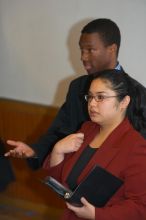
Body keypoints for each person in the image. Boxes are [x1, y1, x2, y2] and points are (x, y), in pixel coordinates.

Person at [4, 18, 145, 168]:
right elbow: (60, 130)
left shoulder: (138, 94)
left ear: (112, 49)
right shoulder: (77, 87)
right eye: (81, 50)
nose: (83, 57)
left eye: (90, 50)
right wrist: (35, 150)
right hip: (73, 177)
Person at [44, 69, 146, 220]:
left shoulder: (136, 146)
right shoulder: (87, 129)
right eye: (90, 97)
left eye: (100, 97)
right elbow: (62, 184)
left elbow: (141, 207)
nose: (92, 103)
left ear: (124, 102)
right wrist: (57, 150)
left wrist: (97, 215)